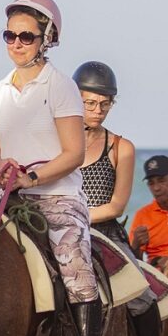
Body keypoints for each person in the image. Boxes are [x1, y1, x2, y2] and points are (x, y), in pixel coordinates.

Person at [0, 0, 105, 336]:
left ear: (46, 39)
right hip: (9, 196)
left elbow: (74, 153)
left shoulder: (62, 86)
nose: (16, 43)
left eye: (26, 37)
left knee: (75, 267)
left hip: (56, 198)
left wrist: (31, 178)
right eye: (9, 35)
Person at [73, 61, 136, 245]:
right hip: (58, 229)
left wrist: (74, 217)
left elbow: (116, 207)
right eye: (90, 104)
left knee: (135, 274)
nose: (98, 111)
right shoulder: (55, 143)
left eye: (105, 104)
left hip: (103, 236)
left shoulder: (121, 147)